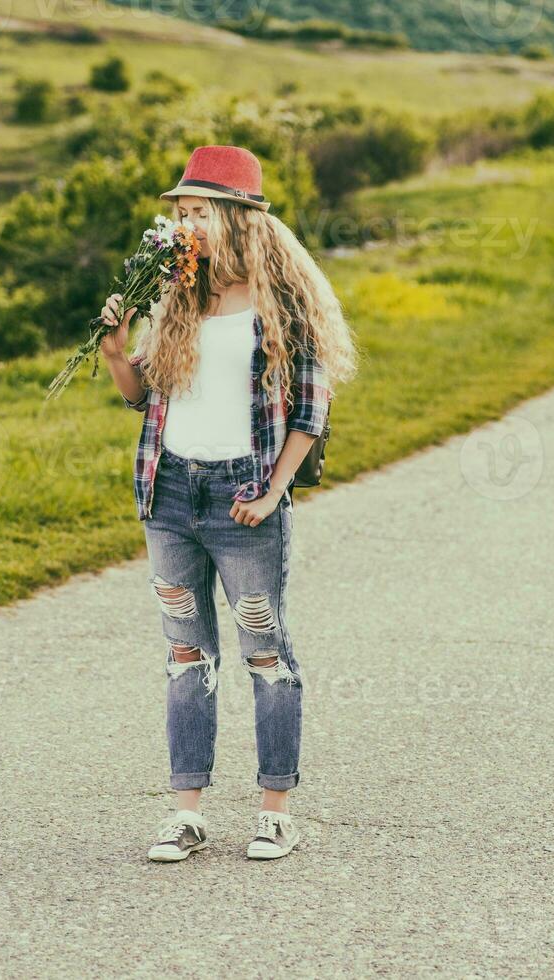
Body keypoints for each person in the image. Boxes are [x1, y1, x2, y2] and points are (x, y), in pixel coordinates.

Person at [99, 145, 358, 862]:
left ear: (237, 218)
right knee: (187, 654)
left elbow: (311, 413)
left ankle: (275, 811)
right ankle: (187, 813)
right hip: (172, 493)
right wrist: (121, 355)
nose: (184, 226)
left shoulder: (285, 305)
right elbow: (142, 397)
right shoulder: (178, 293)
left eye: (196, 213)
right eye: (179, 213)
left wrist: (273, 491)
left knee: (265, 653)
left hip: (246, 497)